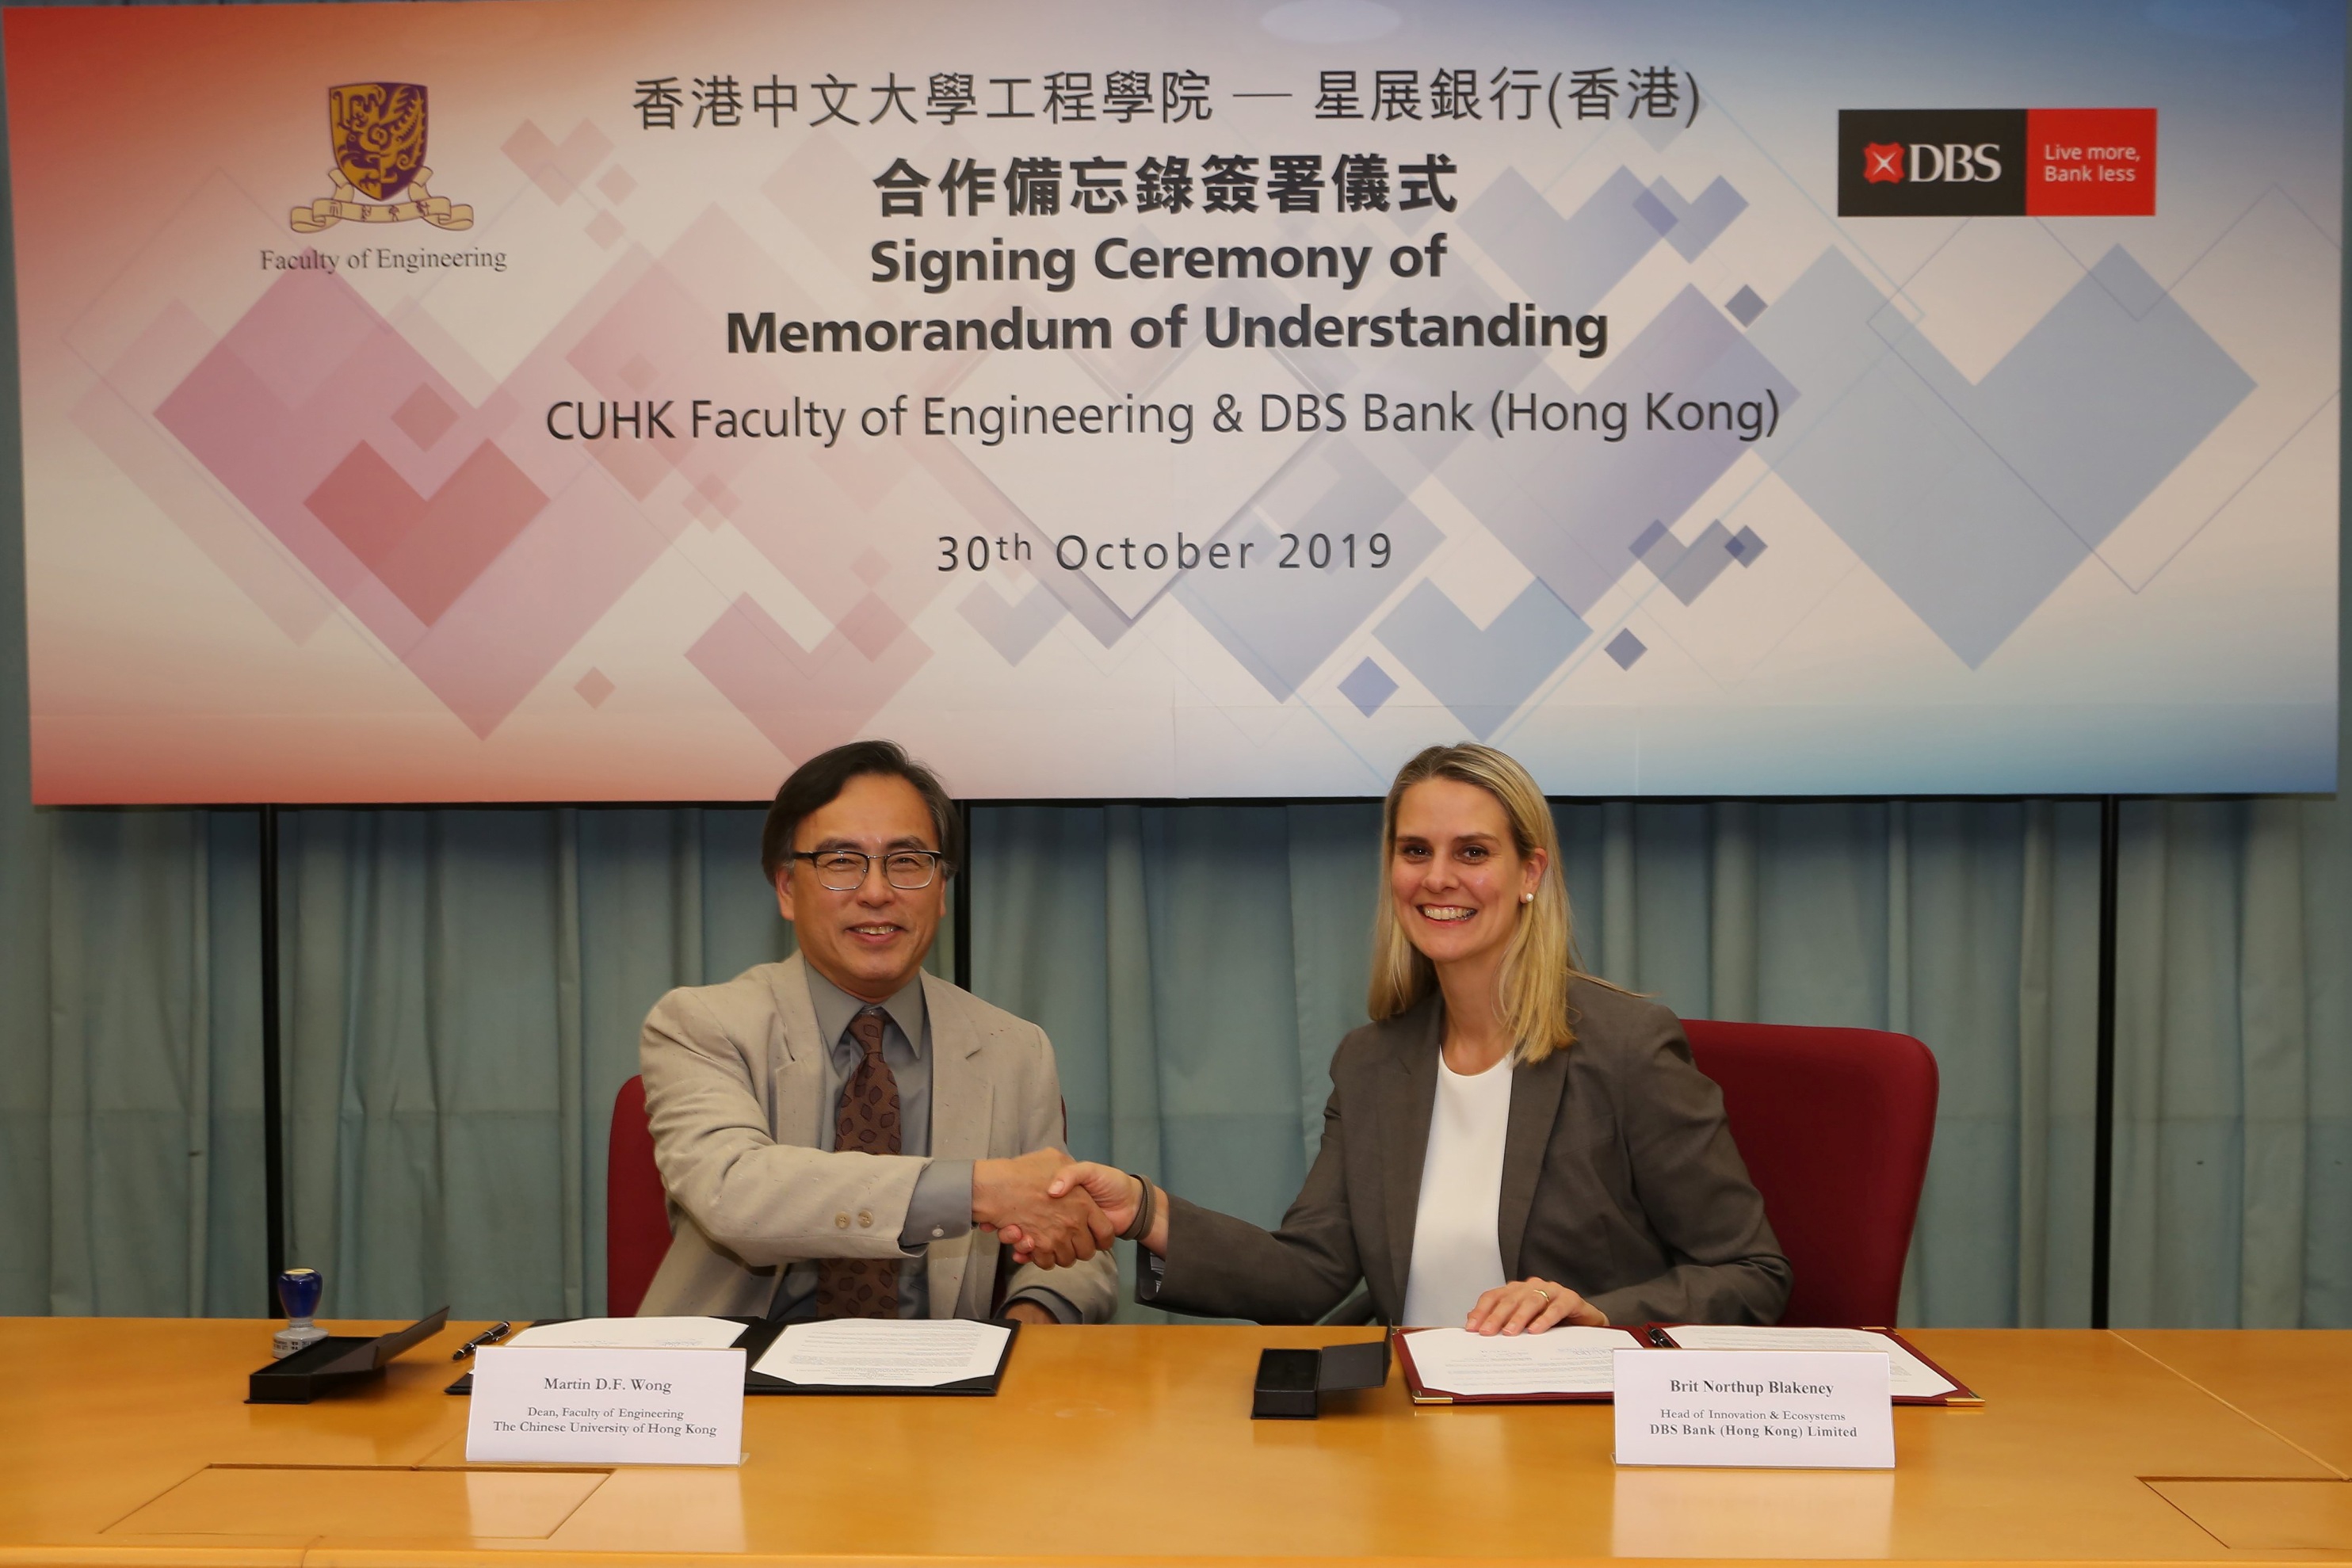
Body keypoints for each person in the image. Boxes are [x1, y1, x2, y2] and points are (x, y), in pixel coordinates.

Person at [1006, 742, 1789, 1332]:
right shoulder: (1374, 1061)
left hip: (1572, 1432)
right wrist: (1145, 1210)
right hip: (1405, 1426)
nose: (1437, 877)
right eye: (1415, 850)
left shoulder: (1626, 1045)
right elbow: (1310, 1272)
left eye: (1471, 852)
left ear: (1530, 873)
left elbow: (1752, 1273)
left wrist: (1596, 1312)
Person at [636, 740, 1117, 1324]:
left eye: (907, 861)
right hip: (738, 1386)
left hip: (941, 1391)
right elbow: (735, 1193)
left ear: (942, 889)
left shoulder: (1014, 1049)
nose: (876, 892)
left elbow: (1067, 1238)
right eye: (841, 861)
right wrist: (974, 1188)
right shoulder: (701, 1024)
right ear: (787, 888)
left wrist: (1032, 1317)